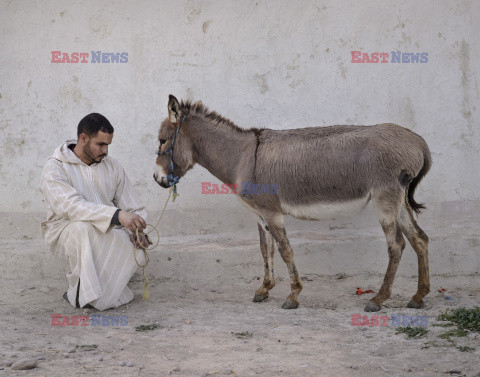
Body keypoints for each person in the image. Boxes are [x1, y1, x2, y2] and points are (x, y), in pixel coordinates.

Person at [40, 113, 150, 310]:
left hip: (108, 227)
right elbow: (70, 207)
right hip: (65, 229)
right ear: (83, 139)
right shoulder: (55, 167)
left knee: (138, 253)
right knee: (84, 230)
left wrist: (137, 230)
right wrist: (117, 216)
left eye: (108, 145)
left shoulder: (112, 166)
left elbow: (133, 206)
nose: (106, 151)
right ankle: (82, 295)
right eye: (100, 144)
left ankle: (98, 295)